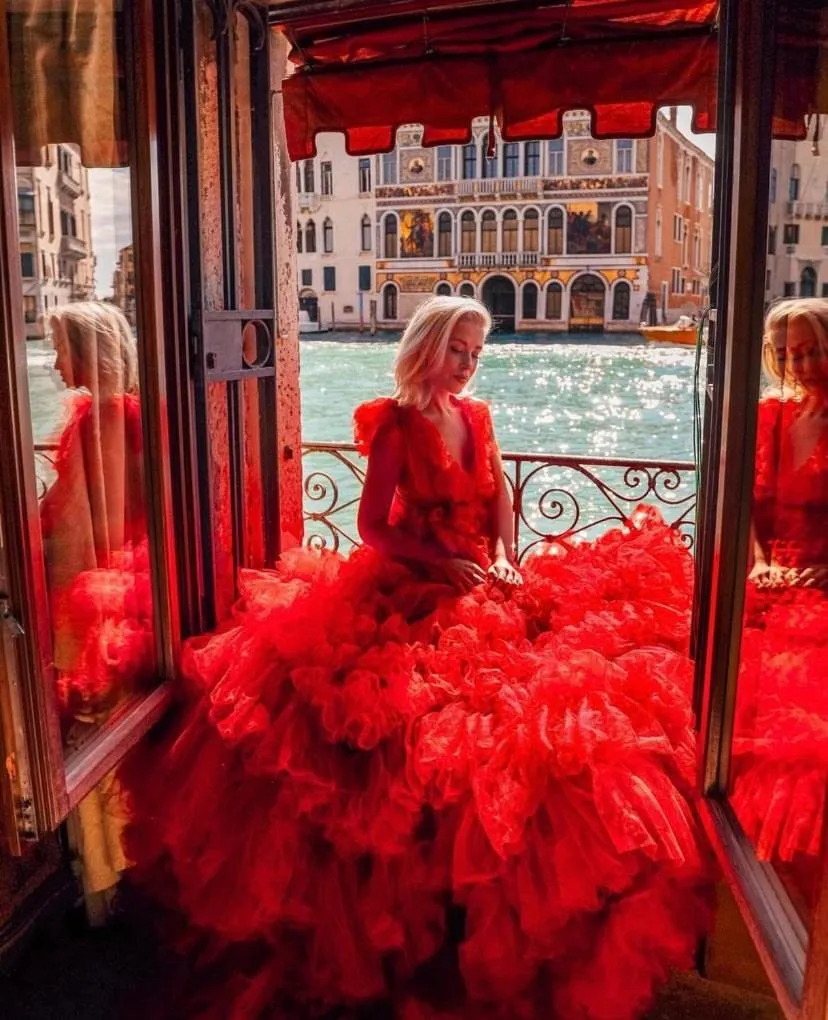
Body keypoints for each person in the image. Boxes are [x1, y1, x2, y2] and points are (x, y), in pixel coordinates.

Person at [123, 296, 709, 1020]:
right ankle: (426, 919)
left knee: (564, 707)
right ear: (428, 348)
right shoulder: (396, 426)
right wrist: (440, 560)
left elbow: (500, 497)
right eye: (458, 350)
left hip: (481, 579)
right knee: (408, 736)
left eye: (475, 352)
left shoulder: (480, 416)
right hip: (412, 586)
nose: (467, 364)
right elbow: (371, 527)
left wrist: (507, 557)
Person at [40, 300, 153, 922]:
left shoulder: (99, 419)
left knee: (86, 733)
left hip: (90, 592)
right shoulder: (132, 413)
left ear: (90, 352)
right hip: (130, 592)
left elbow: (92, 523)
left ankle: (101, 891)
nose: (55, 363)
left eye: (62, 349)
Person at [731, 298, 828, 913]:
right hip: (765, 575)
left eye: (814, 349)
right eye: (791, 353)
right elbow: (746, 506)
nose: (803, 363)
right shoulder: (770, 415)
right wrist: (760, 561)